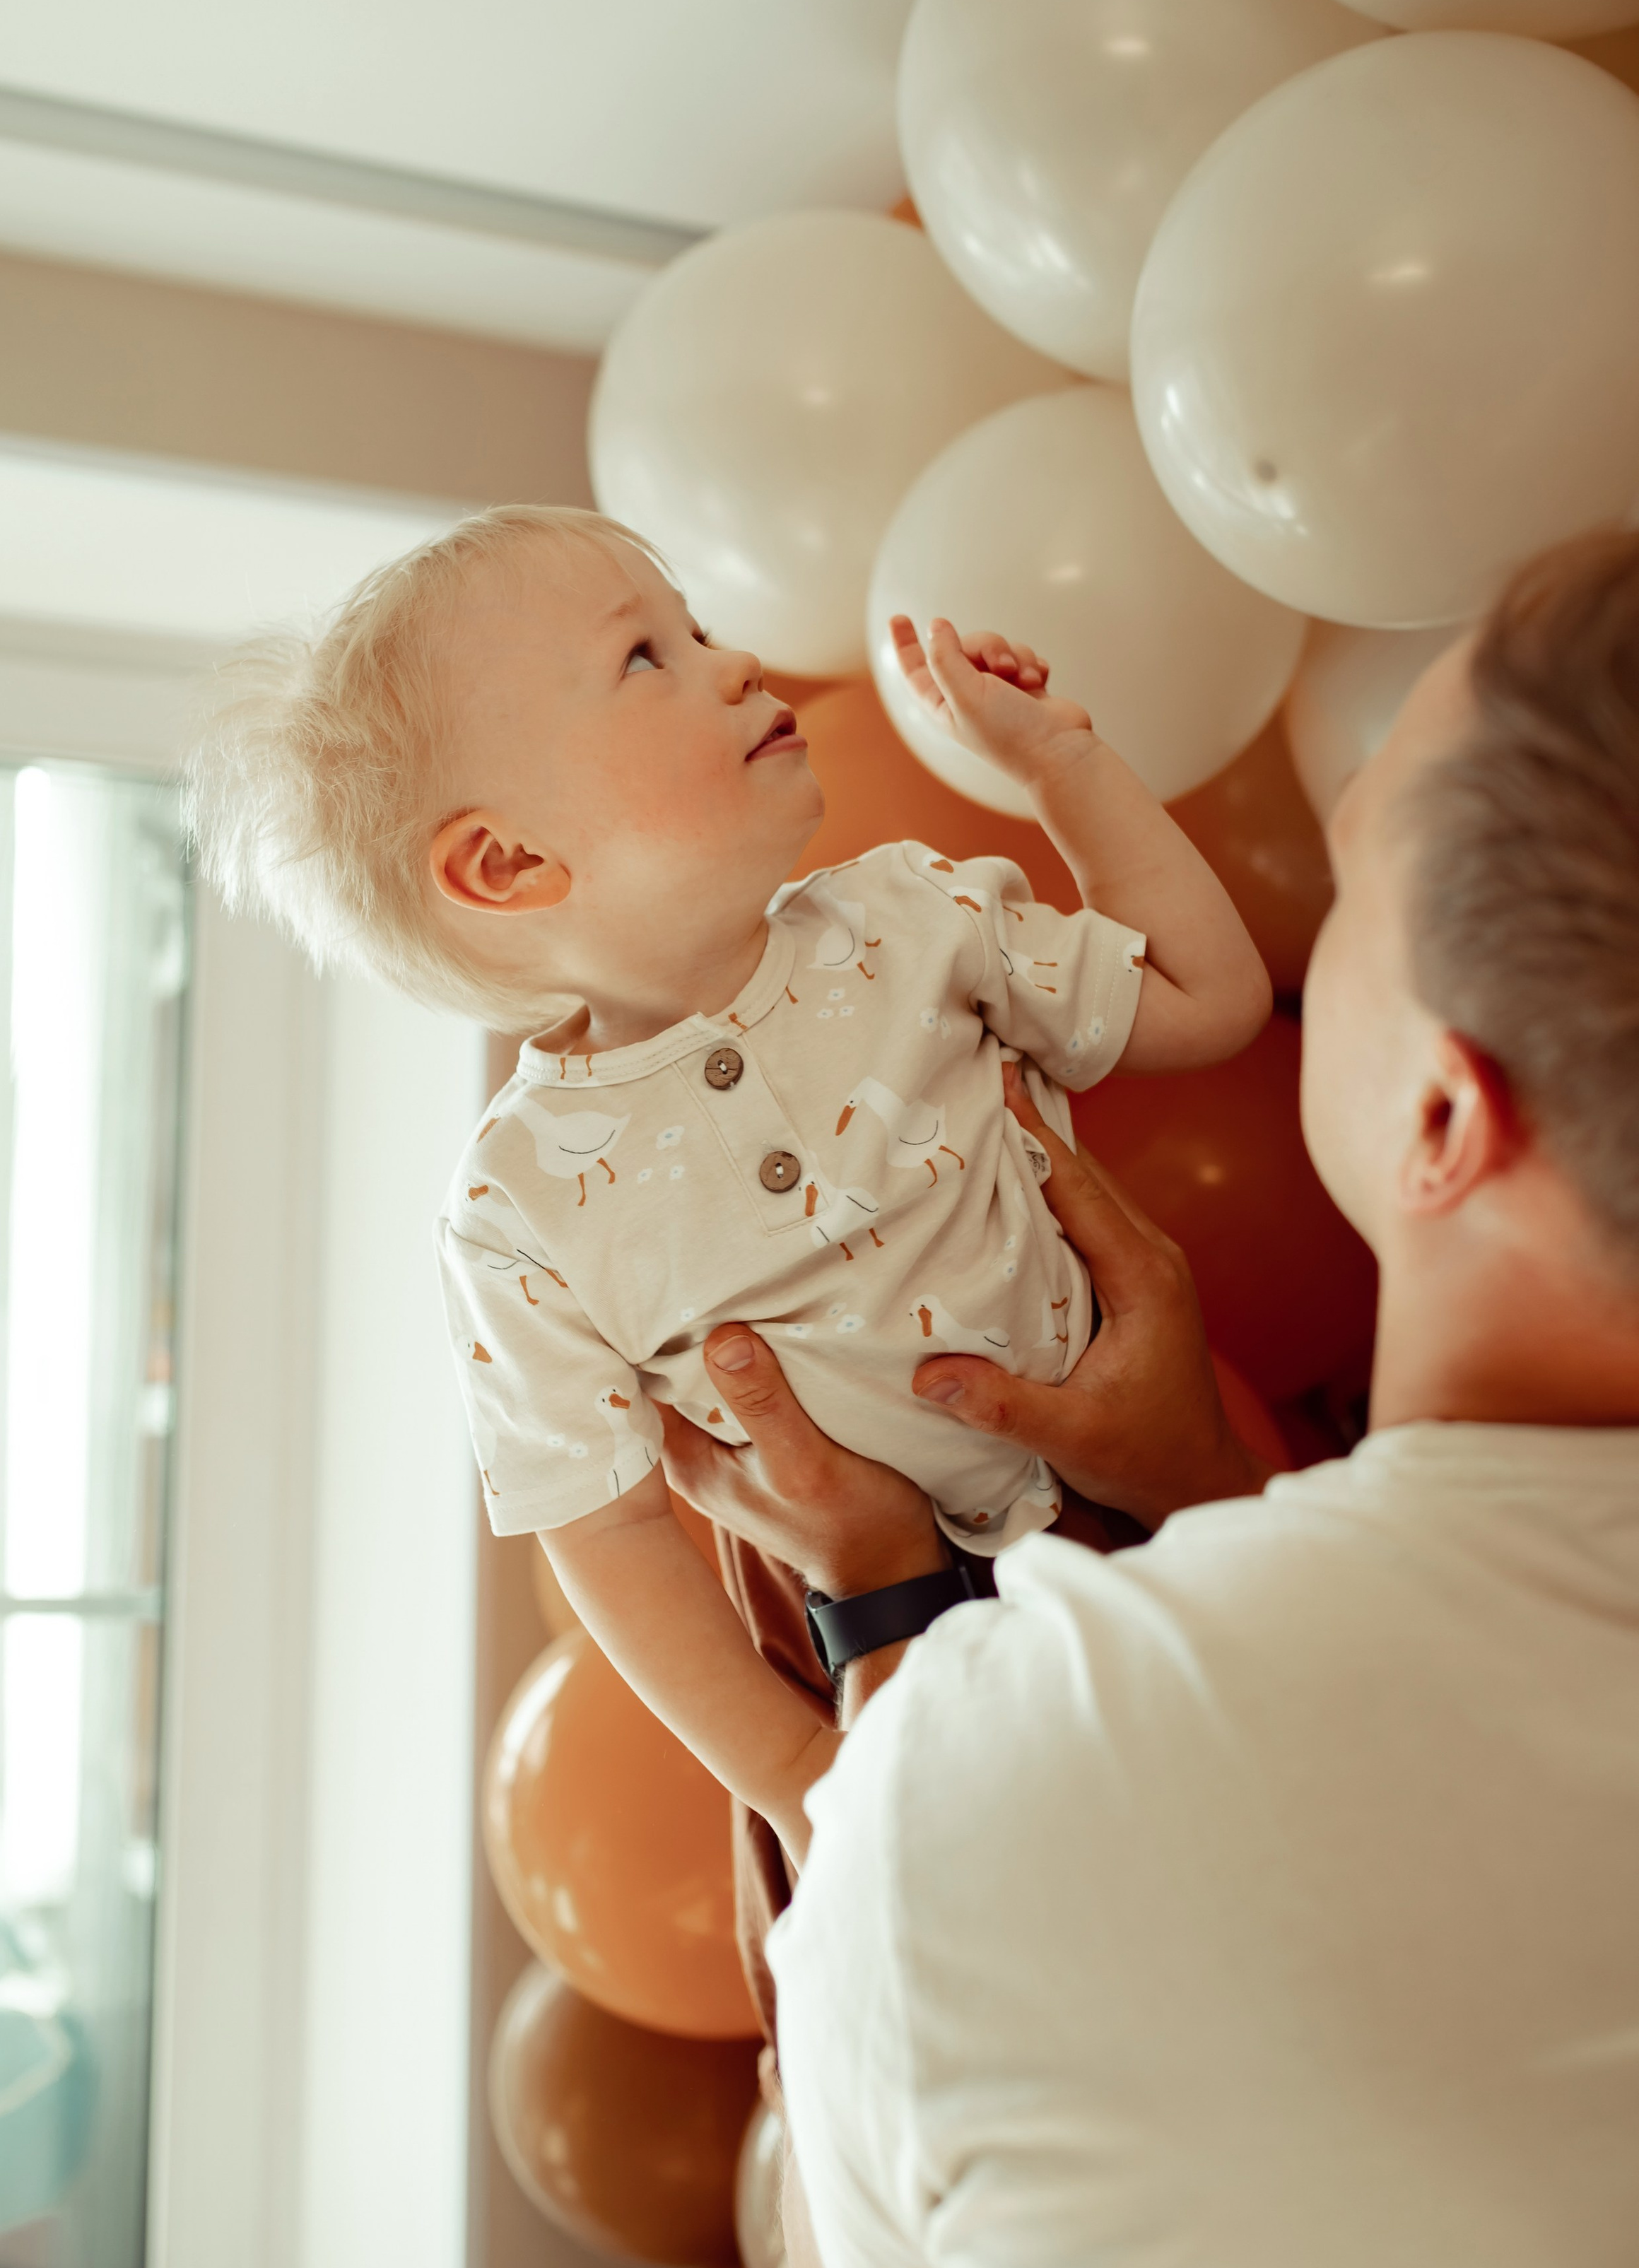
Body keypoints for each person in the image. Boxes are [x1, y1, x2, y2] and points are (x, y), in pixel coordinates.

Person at [663, 529, 1639, 2268]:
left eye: (1353, 872)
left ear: (1445, 1116)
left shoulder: (980, 1775)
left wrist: (874, 1635)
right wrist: (1207, 1487)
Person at [185, 503, 1267, 1872]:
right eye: (648, 655)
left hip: (1127, 1537)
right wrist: (799, 1775)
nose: (738, 659)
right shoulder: (515, 1209)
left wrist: (1062, 770)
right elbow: (605, 1526)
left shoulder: (914, 918)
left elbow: (1207, 997)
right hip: (847, 1655)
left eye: (695, 626)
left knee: (1234, 1853)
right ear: (508, 863)